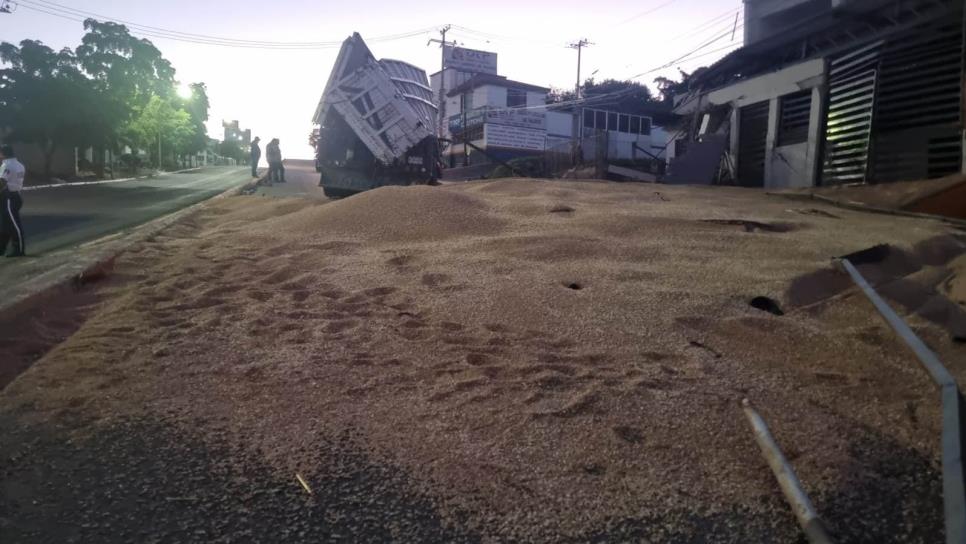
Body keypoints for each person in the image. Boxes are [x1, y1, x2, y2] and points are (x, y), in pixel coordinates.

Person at [0, 144, 25, 257]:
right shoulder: (19, 165)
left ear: (3, 153)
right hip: (16, 195)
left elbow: (2, 182)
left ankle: (19, 249)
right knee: (6, 224)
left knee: (14, 224)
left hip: (9, 197)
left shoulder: (7, 166)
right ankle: (2, 248)